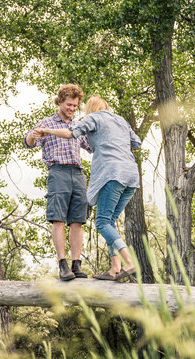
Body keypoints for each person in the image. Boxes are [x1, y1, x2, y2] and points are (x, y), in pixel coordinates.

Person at [36, 95, 142, 281]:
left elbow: (71, 134)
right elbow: (137, 143)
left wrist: (48, 131)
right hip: (131, 176)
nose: (75, 109)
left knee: (102, 222)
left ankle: (129, 262)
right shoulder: (121, 121)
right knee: (110, 221)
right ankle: (114, 268)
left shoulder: (92, 118)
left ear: (89, 110)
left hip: (112, 174)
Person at [24, 84, 92, 281]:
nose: (71, 108)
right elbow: (29, 142)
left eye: (75, 106)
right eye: (69, 104)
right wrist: (32, 134)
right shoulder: (47, 123)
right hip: (58, 171)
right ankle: (62, 265)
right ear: (60, 101)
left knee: (78, 220)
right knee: (59, 219)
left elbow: (92, 147)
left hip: (78, 173)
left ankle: (76, 264)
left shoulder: (78, 126)